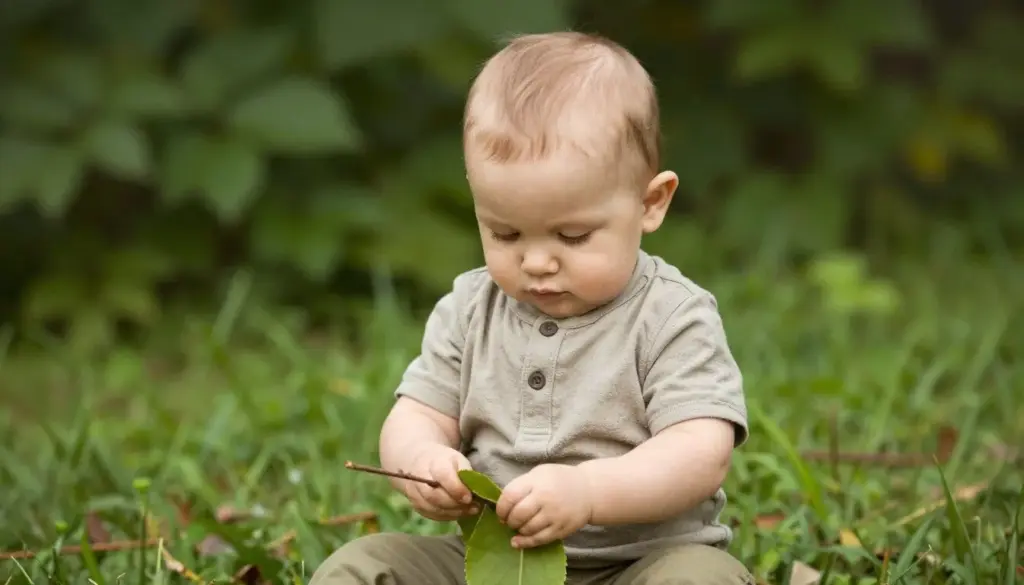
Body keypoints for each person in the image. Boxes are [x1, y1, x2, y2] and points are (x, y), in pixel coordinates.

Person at [310, 31, 754, 585]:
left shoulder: (671, 316)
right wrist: (422, 462)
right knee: (361, 567)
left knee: (702, 579)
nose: (537, 262)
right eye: (506, 232)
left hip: (639, 565)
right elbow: (419, 414)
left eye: (572, 236)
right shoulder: (470, 310)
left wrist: (588, 493)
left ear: (650, 203)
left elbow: (700, 452)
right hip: (493, 566)